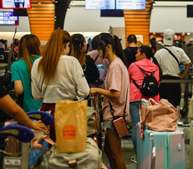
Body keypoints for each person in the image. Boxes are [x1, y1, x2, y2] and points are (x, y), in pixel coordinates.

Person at [31, 29, 90, 139]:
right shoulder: (72, 62)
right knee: (68, 148)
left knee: (47, 148)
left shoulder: (38, 63)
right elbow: (85, 91)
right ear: (67, 44)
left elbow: (36, 95)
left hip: (46, 112)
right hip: (69, 110)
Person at [90, 33, 129, 169]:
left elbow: (116, 93)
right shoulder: (116, 64)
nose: (98, 52)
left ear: (108, 47)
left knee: (116, 154)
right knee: (111, 153)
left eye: (100, 48)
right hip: (115, 115)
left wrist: (97, 91)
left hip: (114, 116)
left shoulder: (115, 66)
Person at [128, 45, 160, 151]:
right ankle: (148, 152)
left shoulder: (133, 66)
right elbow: (157, 83)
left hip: (136, 99)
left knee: (136, 127)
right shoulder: (155, 67)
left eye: (137, 52)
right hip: (152, 100)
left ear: (143, 54)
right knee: (151, 127)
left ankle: (138, 153)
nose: (135, 54)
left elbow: (128, 82)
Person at [154, 28, 191, 108]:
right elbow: (188, 63)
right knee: (174, 106)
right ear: (173, 39)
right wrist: (183, 75)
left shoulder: (158, 53)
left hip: (163, 82)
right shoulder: (179, 51)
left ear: (163, 39)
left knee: (163, 106)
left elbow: (155, 68)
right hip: (175, 82)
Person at [11, 34, 42, 112]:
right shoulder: (45, 61)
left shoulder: (16, 65)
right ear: (38, 46)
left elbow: (19, 90)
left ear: (21, 47)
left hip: (28, 108)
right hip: (47, 105)